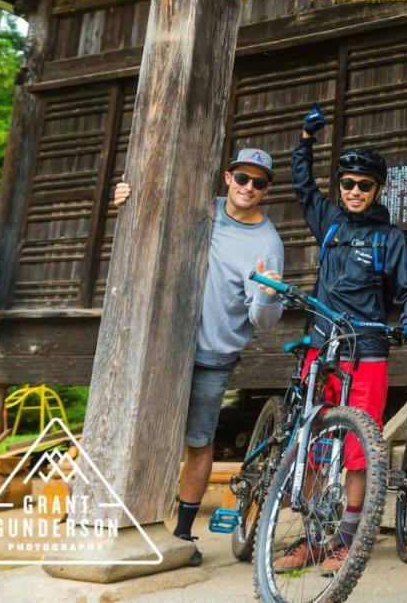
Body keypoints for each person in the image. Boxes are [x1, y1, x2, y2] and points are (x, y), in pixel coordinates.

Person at [111, 148, 285, 566]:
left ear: (267, 190)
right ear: (227, 178)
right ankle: (123, 521)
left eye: (258, 183)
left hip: (214, 354)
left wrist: (266, 294)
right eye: (242, 178)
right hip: (163, 347)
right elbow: (151, 220)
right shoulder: (201, 209)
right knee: (141, 431)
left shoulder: (267, 243)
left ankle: (184, 533)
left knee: (198, 441)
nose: (248, 188)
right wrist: (125, 203)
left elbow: (265, 322)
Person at [275, 104, 407, 572]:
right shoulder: (330, 224)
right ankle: (312, 536)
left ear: (376, 189)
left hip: (368, 351)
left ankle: (347, 539)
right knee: (315, 444)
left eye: (364, 185)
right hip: (322, 348)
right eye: (348, 184)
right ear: (339, 189)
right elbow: (302, 187)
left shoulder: (390, 238)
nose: (355, 191)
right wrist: (304, 141)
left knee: (360, 450)